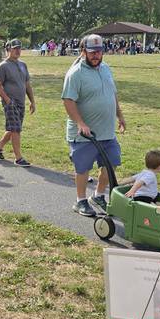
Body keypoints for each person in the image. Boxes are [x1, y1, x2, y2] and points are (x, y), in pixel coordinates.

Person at [62, 34, 126, 216]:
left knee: (111, 163)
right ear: (83, 52)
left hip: (106, 131)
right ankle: (80, 201)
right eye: (92, 52)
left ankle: (98, 195)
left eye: (99, 52)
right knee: (83, 168)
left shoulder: (105, 69)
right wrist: (80, 123)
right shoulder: (75, 74)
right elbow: (68, 101)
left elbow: (112, 94)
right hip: (84, 134)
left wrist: (119, 115)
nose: (96, 56)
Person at [0, 39, 36, 167]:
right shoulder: (3, 66)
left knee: (13, 128)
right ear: (8, 50)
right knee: (16, 129)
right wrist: (7, 100)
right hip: (10, 102)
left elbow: (27, 84)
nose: (17, 50)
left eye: (19, 48)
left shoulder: (23, 65)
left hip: (21, 102)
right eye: (14, 48)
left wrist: (32, 101)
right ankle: (18, 158)